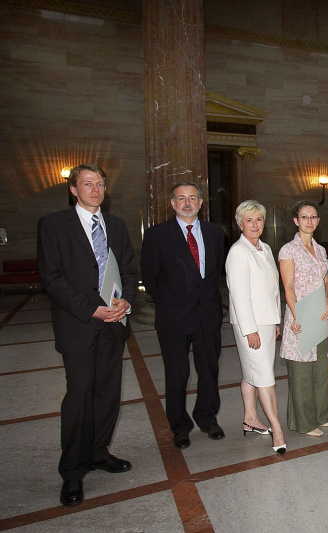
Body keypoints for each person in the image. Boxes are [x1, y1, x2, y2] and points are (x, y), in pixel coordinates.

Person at [38, 164, 137, 507]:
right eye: (87, 184)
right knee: (79, 397)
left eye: (100, 184)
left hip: (114, 323)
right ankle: (72, 471)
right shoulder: (53, 225)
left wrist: (126, 300)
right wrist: (91, 308)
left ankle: (98, 452)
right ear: (73, 189)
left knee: (108, 394)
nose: (95, 190)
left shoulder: (116, 225)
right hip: (78, 324)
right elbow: (51, 278)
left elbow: (129, 268)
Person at [140, 183, 226, 450]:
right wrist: (171, 302)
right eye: (181, 198)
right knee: (177, 375)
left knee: (209, 371)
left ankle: (207, 418)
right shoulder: (157, 235)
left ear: (201, 202)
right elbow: (150, 278)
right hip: (173, 317)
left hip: (207, 315)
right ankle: (179, 426)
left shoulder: (215, 233)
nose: (187, 203)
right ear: (172, 203)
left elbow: (216, 273)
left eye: (192, 198)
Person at [226, 200, 286, 454]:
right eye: (248, 220)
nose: (254, 224)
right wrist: (250, 329)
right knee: (264, 377)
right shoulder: (238, 252)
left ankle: (250, 418)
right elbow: (239, 295)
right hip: (249, 324)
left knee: (254, 373)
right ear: (240, 224)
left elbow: (273, 287)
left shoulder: (265, 247)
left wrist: (275, 319)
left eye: (258, 219)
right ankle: (277, 428)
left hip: (266, 321)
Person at [279, 200, 328, 438]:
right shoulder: (288, 250)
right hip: (300, 315)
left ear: (318, 221)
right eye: (304, 217)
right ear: (296, 221)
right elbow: (289, 287)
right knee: (301, 371)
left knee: (321, 369)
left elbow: (327, 280)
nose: (309, 221)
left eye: (313, 217)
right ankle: (304, 421)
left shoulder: (321, 250)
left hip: (321, 316)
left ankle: (322, 414)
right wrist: (297, 314)